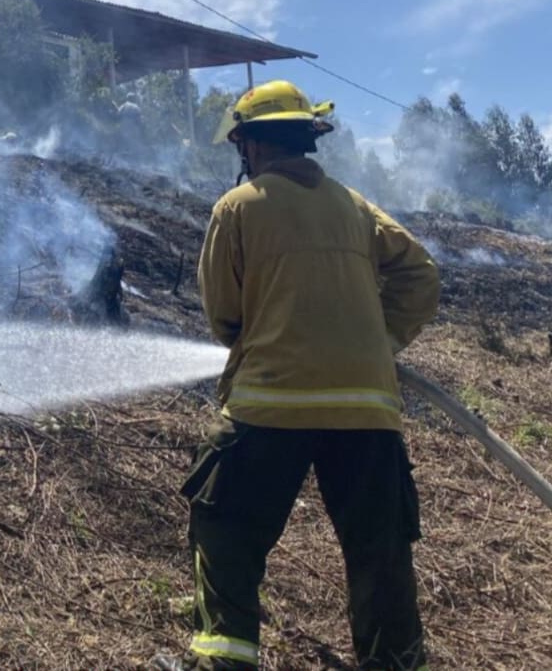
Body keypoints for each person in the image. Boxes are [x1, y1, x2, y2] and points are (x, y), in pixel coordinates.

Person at [154, 80, 440, 671]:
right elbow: (420, 274)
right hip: (367, 411)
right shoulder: (356, 207)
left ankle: (226, 657)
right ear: (307, 138)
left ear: (253, 145)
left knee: (225, 524)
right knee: (379, 549)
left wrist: (268, 332)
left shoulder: (238, 207)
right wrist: (379, 341)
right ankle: (394, 662)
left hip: (269, 403)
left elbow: (223, 315)